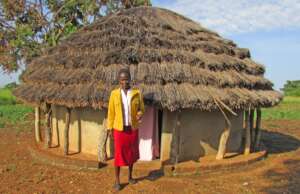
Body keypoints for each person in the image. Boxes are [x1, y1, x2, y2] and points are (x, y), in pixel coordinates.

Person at [107, 68, 145, 191]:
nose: (125, 82)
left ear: (130, 79)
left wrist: (139, 113)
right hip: (119, 129)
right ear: (119, 80)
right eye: (122, 79)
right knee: (118, 155)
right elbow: (111, 113)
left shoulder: (136, 93)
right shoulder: (114, 94)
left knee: (131, 153)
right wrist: (109, 128)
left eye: (127, 79)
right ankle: (117, 181)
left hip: (132, 129)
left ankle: (130, 176)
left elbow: (142, 109)